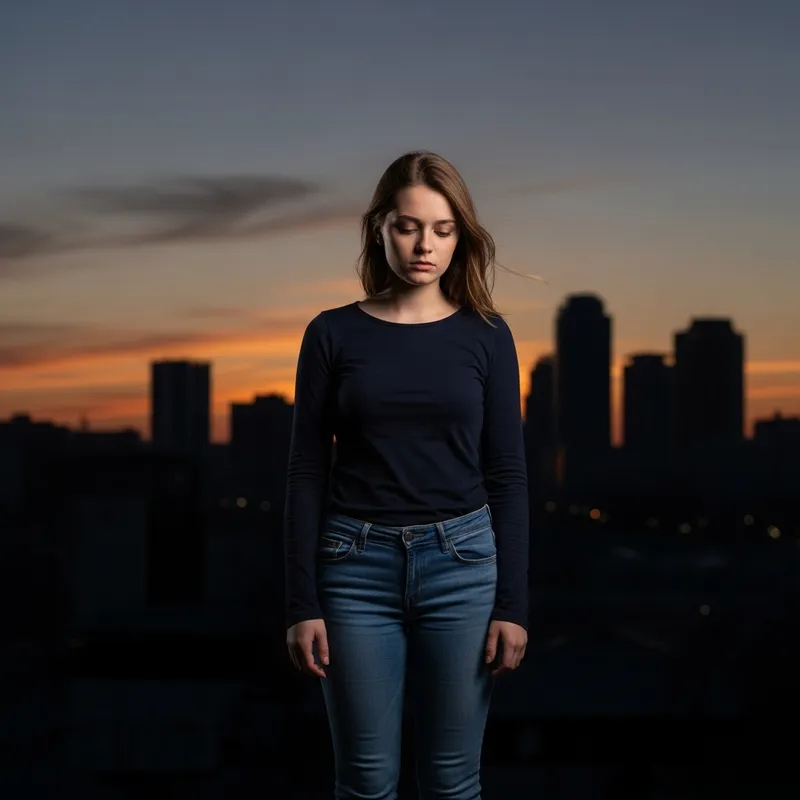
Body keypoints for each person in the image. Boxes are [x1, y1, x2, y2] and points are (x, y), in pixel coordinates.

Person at [284, 150, 529, 800]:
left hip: (464, 565)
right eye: (408, 226)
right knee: (364, 781)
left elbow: (507, 473)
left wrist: (513, 606)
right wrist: (302, 602)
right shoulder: (332, 333)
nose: (425, 244)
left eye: (442, 229)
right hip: (354, 568)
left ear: (461, 236)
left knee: (453, 781)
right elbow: (307, 470)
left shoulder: (487, 335)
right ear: (379, 228)